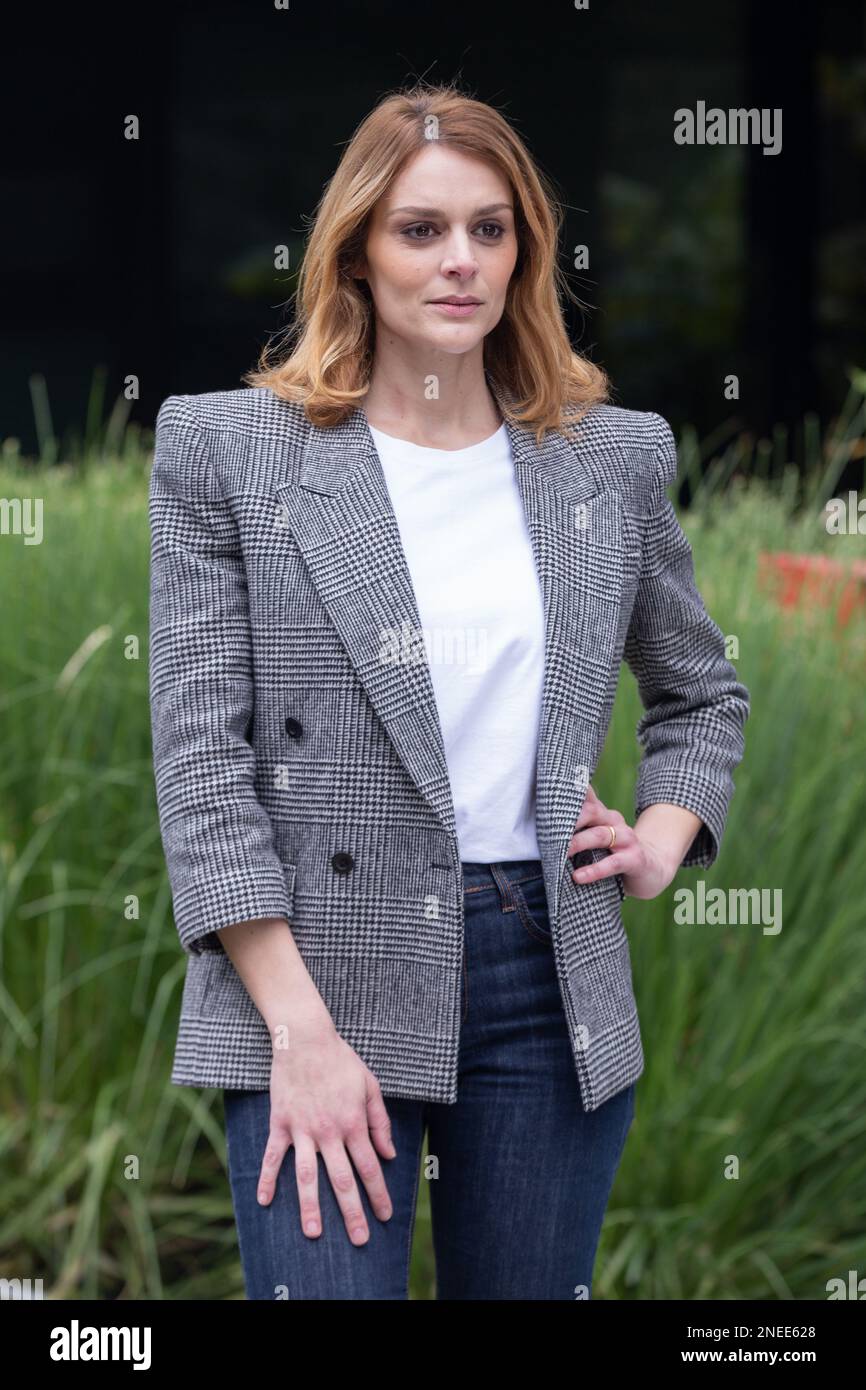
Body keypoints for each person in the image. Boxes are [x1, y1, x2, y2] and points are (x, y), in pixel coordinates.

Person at [147, 81, 750, 1300]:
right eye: (420, 229)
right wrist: (297, 1039)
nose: (459, 259)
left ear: (524, 247)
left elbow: (701, 692)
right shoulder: (227, 450)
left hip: (544, 977)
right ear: (357, 250)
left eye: (490, 227)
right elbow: (202, 769)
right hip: (310, 977)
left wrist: (659, 837)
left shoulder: (609, 458)